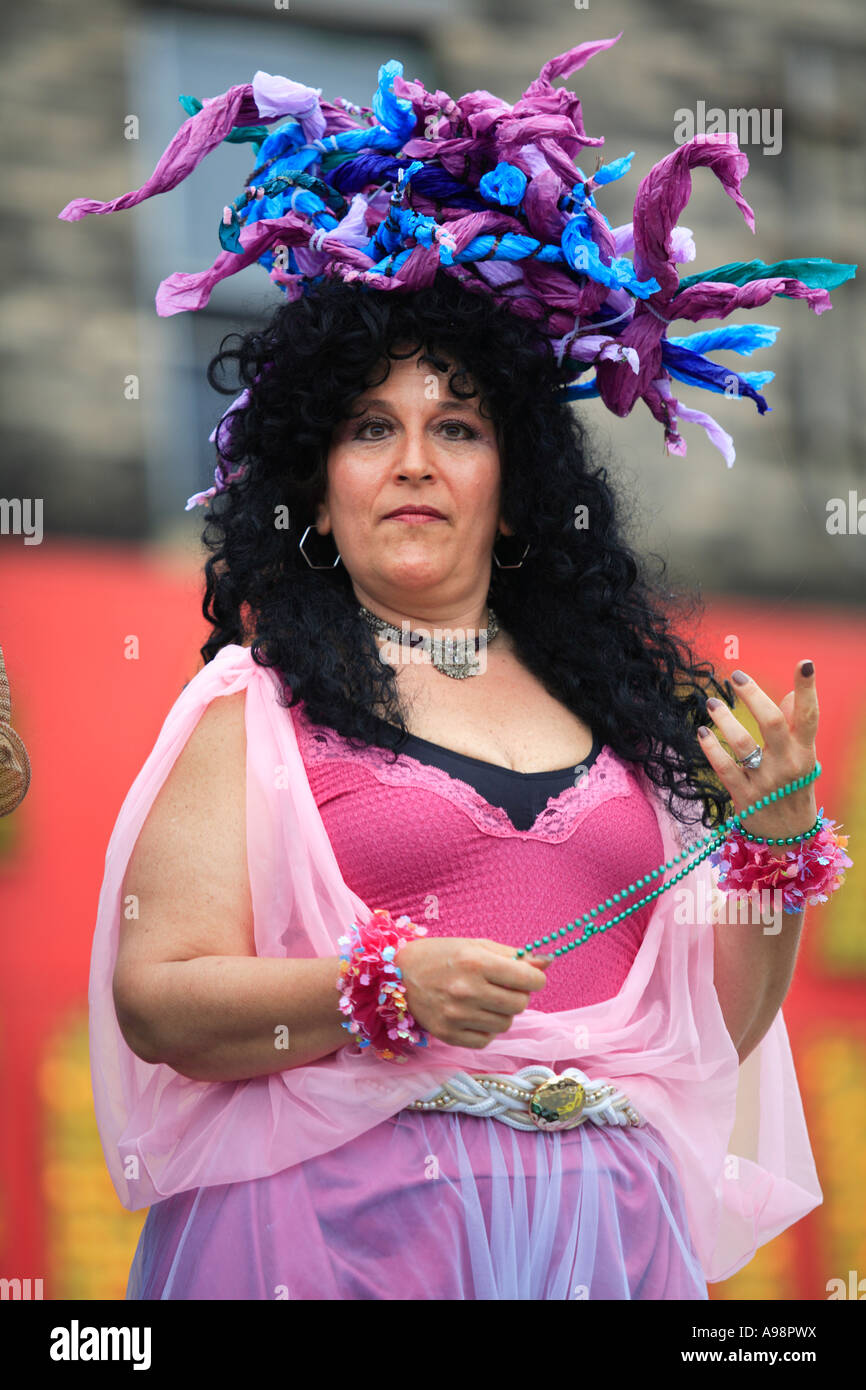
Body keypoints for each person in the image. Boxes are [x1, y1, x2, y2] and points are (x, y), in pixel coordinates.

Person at [66, 38, 853, 1300]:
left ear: (515, 478)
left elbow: (718, 1029)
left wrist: (770, 843)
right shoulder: (252, 710)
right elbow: (161, 1001)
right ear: (316, 484)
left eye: (458, 427)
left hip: (610, 1247)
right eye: (370, 427)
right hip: (338, 1241)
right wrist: (378, 986)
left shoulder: (624, 721)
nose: (416, 462)